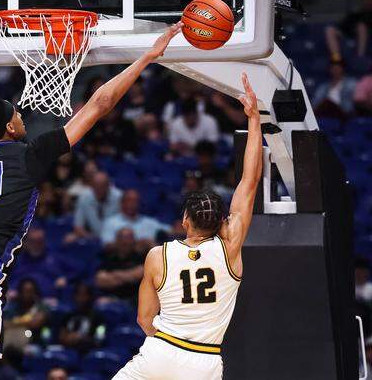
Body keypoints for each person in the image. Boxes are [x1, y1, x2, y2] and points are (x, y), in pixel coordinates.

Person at [0, 22, 184, 379]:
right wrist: (148, 56)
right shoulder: (30, 153)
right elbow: (98, 105)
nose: (20, 114)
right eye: (14, 112)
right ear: (9, 128)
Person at [113, 73, 263, 379]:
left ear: (184, 221)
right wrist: (254, 119)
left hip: (161, 351)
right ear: (223, 222)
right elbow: (249, 182)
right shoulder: (230, 245)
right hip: (203, 361)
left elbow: (144, 319)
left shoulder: (158, 255)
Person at [101, 190, 171, 245]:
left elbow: (170, 230)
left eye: (135, 201)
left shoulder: (150, 223)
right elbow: (107, 245)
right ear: (122, 203)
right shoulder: (110, 223)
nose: (132, 204)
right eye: (129, 200)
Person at [95, 228, 145, 302]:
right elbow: (100, 281)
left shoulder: (141, 257)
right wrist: (129, 276)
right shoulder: (108, 257)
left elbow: (139, 275)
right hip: (112, 297)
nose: (124, 242)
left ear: (134, 241)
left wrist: (114, 275)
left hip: (135, 299)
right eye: (121, 238)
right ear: (116, 240)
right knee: (101, 303)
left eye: (128, 238)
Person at [2, 278, 49, 353]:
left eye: (30, 291)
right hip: (13, 339)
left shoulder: (41, 306)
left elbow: (35, 323)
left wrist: (15, 322)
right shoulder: (14, 306)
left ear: (35, 292)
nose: (27, 294)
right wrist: (25, 321)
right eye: (24, 291)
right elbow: (3, 324)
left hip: (35, 343)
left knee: (21, 333)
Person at [73, 171, 122, 239]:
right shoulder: (84, 197)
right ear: (91, 186)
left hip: (115, 239)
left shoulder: (119, 197)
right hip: (92, 238)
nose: (99, 190)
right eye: (96, 187)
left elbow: (126, 223)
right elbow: (78, 227)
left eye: (102, 187)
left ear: (109, 186)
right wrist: (92, 239)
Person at [58, 283, 104, 353]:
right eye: (78, 295)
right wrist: (68, 338)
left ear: (90, 297)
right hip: (67, 349)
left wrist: (81, 338)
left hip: (88, 351)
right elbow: (61, 335)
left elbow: (99, 340)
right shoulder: (69, 315)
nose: (81, 299)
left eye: (84, 295)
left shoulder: (97, 317)